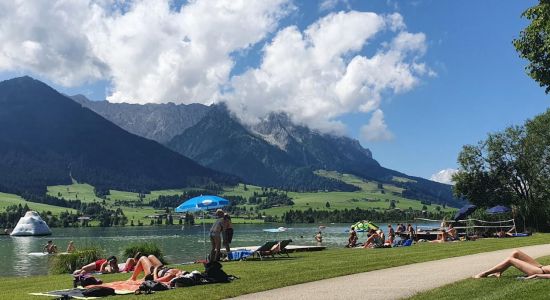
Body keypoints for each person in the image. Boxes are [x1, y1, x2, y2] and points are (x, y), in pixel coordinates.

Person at [474, 250, 550, 279]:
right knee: (516, 252)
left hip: (539, 271)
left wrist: (537, 275)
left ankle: (484, 274)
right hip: (541, 267)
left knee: (510, 260)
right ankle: (498, 272)